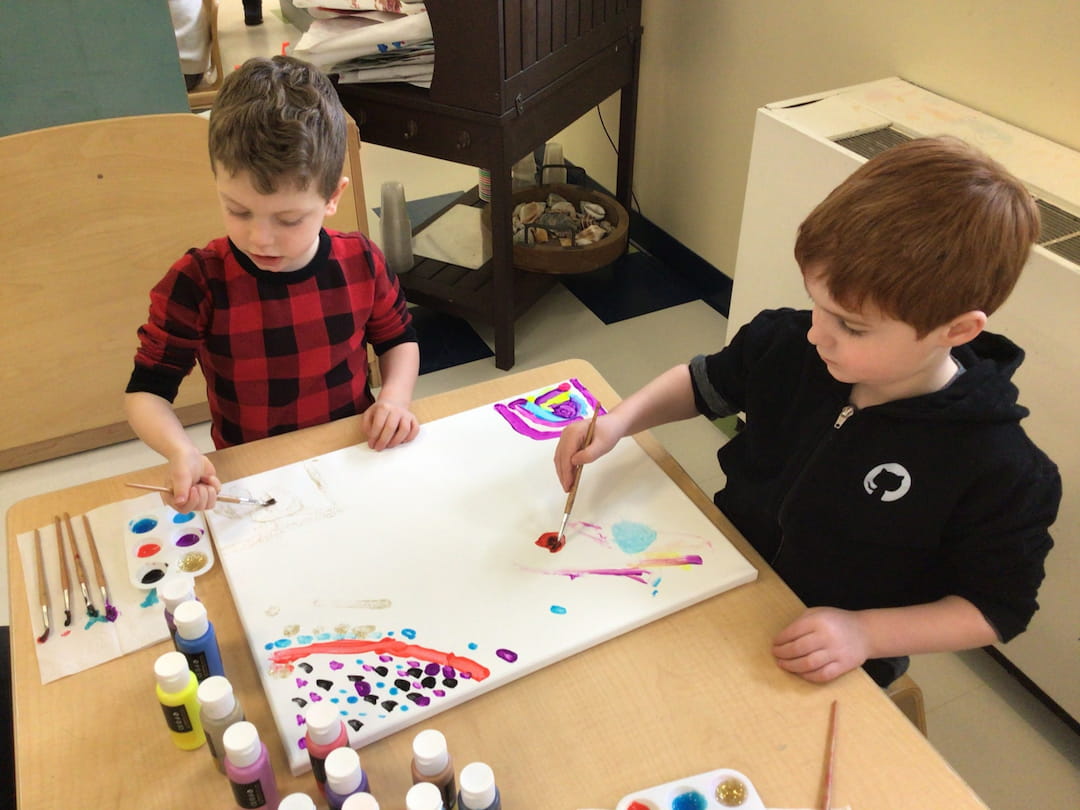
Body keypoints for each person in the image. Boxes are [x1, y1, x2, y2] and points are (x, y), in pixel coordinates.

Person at [554, 136, 1060, 688]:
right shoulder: (792, 343)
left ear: (957, 331)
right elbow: (702, 385)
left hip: (830, 650)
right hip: (719, 572)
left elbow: (995, 609)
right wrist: (619, 422)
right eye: (818, 303)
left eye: (852, 325)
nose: (818, 331)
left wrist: (866, 634)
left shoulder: (1001, 467)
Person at [126, 55, 420, 512]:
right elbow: (147, 392)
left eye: (288, 219)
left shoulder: (360, 259)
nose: (259, 238)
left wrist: (396, 400)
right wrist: (180, 450)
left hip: (352, 454)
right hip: (250, 477)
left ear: (332, 197)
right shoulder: (196, 282)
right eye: (237, 210)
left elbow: (399, 338)